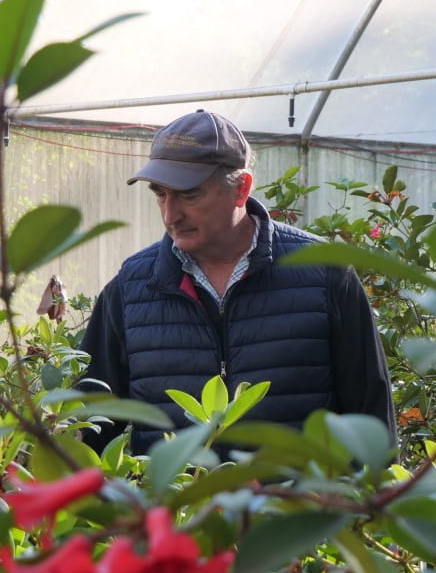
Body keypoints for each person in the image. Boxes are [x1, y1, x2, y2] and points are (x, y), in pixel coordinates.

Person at [77, 109, 395, 455]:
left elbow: (371, 422)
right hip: (177, 508)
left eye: (189, 194)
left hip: (298, 507)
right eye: (160, 194)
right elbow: (92, 424)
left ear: (241, 188)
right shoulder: (131, 288)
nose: (171, 215)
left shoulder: (325, 274)